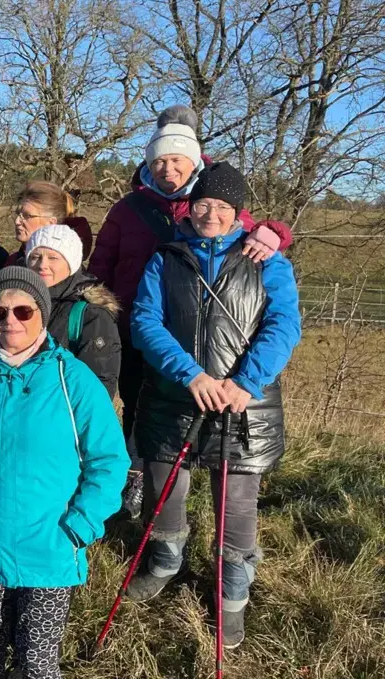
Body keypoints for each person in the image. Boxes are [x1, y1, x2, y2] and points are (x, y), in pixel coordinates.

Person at [126, 162, 302, 649]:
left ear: (237, 214)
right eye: (204, 203)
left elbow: (285, 325)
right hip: (173, 397)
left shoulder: (267, 261)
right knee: (165, 490)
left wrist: (245, 381)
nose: (211, 214)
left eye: (223, 207)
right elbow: (145, 321)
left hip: (246, 406)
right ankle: (165, 560)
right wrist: (191, 374)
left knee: (237, 503)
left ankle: (231, 596)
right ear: (191, 206)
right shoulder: (167, 258)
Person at [0, 266, 128, 679]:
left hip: (51, 546)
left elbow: (109, 460)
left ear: (41, 312)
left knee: (38, 664)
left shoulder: (72, 378)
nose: (10, 321)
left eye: (22, 311)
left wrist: (80, 525)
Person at [88, 105, 292, 516]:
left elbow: (253, 238)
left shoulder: (208, 199)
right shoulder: (129, 208)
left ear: (194, 160)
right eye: (159, 160)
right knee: (140, 409)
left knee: (200, 418)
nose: (168, 169)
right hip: (139, 329)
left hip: (208, 339)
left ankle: (195, 495)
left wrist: (277, 233)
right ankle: (140, 484)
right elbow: (101, 265)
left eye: (177, 160)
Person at [24, 224, 122, 397]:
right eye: (35, 256)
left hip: (63, 416)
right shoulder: (12, 306)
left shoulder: (91, 314)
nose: (42, 265)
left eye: (53, 258)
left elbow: (98, 385)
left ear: (72, 263)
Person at [7, 181, 93, 266]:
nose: (17, 221)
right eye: (18, 214)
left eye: (27, 216)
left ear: (51, 223)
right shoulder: (11, 263)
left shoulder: (60, 270)